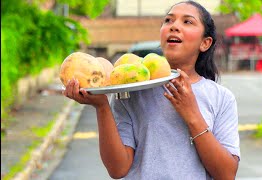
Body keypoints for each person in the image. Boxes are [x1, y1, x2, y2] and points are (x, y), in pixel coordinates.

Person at [63, 1, 240, 179]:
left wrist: (192, 114)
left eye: (187, 22)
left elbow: (226, 174)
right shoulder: (130, 89)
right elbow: (118, 169)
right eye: (168, 20)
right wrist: (102, 107)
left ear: (205, 43)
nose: (174, 26)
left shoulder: (221, 98)